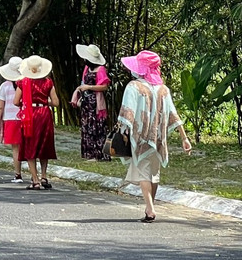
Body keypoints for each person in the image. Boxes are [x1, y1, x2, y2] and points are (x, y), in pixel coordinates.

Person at [117, 50, 192, 223]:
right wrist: (184, 138)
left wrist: (124, 130)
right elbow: (173, 114)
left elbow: (127, 112)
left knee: (143, 169)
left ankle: (150, 209)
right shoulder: (163, 90)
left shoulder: (134, 86)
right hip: (159, 138)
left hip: (140, 136)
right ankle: (149, 206)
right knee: (154, 172)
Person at [15, 55, 59, 189]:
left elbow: (16, 101)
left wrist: (28, 102)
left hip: (30, 115)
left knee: (30, 145)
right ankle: (44, 176)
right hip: (45, 114)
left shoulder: (23, 82)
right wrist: (44, 102)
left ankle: (35, 180)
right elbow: (56, 103)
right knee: (44, 145)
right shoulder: (48, 82)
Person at [73, 43, 111, 160]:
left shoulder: (101, 70)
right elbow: (83, 81)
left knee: (97, 127)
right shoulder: (86, 68)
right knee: (86, 126)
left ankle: (99, 154)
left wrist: (89, 87)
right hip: (86, 102)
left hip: (96, 103)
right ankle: (88, 153)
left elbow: (104, 87)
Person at [0, 56, 24, 183]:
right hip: (25, 118)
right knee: (27, 147)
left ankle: (18, 175)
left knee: (15, 148)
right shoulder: (26, 85)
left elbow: (0, 107)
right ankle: (36, 176)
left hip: (11, 120)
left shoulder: (4, 86)